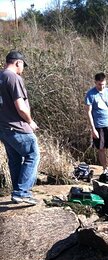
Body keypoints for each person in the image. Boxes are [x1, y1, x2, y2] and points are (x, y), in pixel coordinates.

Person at [0, 50, 40, 205]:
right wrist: (30, 121)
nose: (23, 69)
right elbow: (21, 107)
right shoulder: (14, 78)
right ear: (18, 63)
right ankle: (22, 192)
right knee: (32, 155)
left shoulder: (1, 77)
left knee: (15, 159)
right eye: (23, 65)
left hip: (3, 127)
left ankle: (17, 192)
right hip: (17, 126)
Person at [85, 72, 108, 172]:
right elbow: (88, 112)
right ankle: (105, 169)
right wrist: (93, 129)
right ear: (95, 82)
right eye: (99, 84)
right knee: (101, 149)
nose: (102, 86)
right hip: (98, 126)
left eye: (103, 84)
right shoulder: (90, 94)